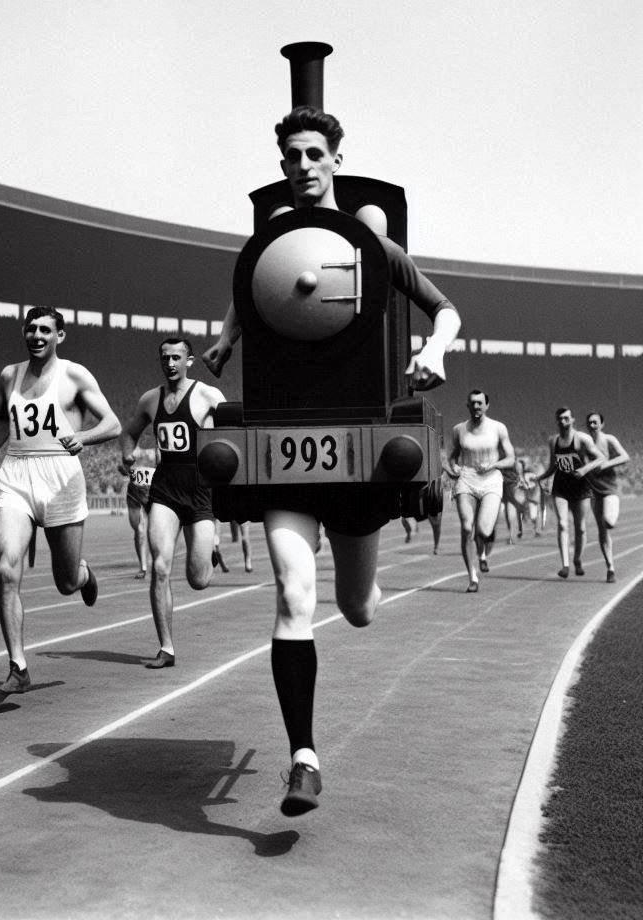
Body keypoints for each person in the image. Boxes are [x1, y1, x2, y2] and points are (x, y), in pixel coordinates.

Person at [202, 105, 461, 816]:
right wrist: (224, 344)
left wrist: (434, 351)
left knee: (356, 607)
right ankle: (304, 760)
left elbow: (446, 311)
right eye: (293, 154)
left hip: (356, 447)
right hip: (284, 442)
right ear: (282, 163)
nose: (305, 164)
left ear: (336, 160)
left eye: (316, 152)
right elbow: (246, 302)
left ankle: (367, 594)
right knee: (292, 593)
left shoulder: (372, 245)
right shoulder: (270, 242)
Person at [0, 307, 120, 693]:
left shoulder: (74, 375)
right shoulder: (10, 375)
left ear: (60, 336)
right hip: (17, 476)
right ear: (24, 333)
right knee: (8, 567)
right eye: (31, 329)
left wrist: (83, 438)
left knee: (65, 582)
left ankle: (83, 574)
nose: (37, 335)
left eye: (45, 330)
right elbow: (0, 418)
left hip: (61, 478)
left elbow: (112, 423)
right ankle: (18, 667)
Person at [119, 337, 225, 668]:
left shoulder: (209, 396)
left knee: (198, 579)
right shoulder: (151, 400)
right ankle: (166, 648)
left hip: (200, 490)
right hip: (165, 491)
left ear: (189, 360)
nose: (170, 363)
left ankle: (209, 551)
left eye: (177, 357)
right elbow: (130, 432)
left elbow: (235, 432)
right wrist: (127, 453)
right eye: (165, 358)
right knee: (160, 566)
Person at [444, 390, 516, 592]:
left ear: (487, 405)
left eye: (480, 403)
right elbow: (452, 456)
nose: (476, 406)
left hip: (491, 481)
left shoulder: (498, 428)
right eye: (472, 403)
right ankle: (472, 577)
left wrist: (495, 465)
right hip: (467, 480)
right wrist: (453, 467)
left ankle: (485, 540)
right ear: (467, 406)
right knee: (467, 527)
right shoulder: (459, 429)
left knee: (483, 531)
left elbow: (511, 458)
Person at [527, 408, 603, 578]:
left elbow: (600, 458)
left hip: (581, 486)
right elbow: (554, 464)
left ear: (572, 420)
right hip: (561, 486)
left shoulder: (582, 439)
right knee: (562, 524)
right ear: (557, 421)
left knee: (580, 528)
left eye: (566, 418)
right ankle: (565, 565)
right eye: (560, 419)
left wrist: (584, 470)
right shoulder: (553, 440)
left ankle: (577, 559)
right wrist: (541, 477)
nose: (563, 422)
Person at [584, 412, 630, 582]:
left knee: (608, 522)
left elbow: (625, 456)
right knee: (602, 530)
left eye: (595, 422)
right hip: (595, 492)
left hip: (610, 489)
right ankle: (610, 567)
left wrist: (605, 465)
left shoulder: (609, 439)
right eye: (589, 422)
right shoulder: (584, 443)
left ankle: (611, 521)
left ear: (602, 424)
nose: (592, 425)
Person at [124, 445, 157, 580]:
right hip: (135, 492)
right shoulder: (127, 445)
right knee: (139, 530)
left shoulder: (158, 445)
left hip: (154, 491)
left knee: (155, 530)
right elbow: (122, 468)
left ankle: (158, 561)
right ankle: (143, 567)